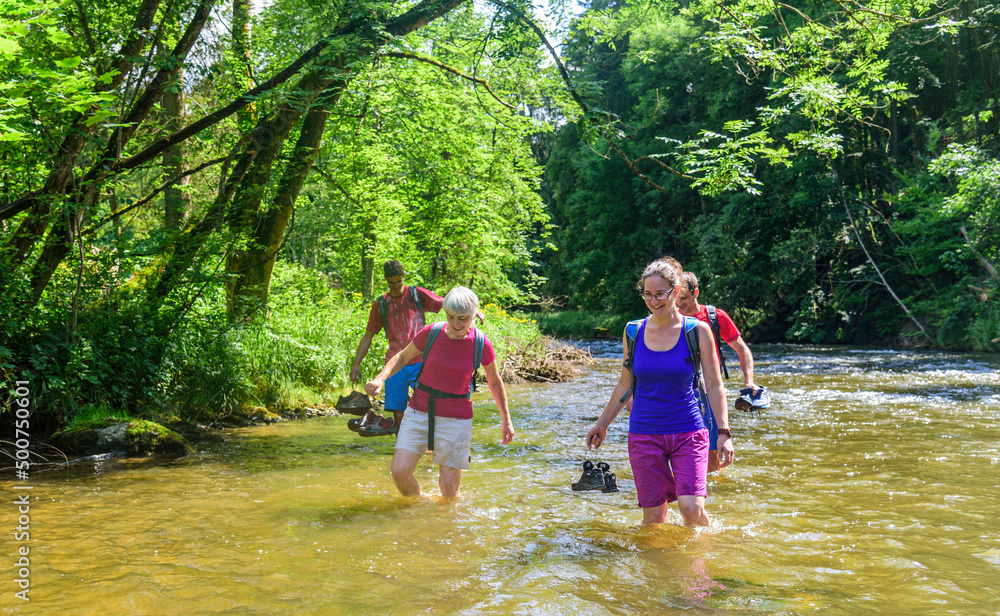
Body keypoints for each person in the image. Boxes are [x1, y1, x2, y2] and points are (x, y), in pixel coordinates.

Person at [586, 258, 733, 526]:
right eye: (647, 295)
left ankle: (703, 563)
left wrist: (723, 433)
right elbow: (625, 384)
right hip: (644, 434)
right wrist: (602, 423)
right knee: (654, 517)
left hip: (688, 431)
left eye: (660, 294)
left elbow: (713, 384)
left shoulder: (696, 331)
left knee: (691, 508)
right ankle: (659, 568)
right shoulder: (633, 331)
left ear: (676, 291)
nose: (654, 301)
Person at [364, 287, 514, 499]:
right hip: (419, 411)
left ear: (474, 316)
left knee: (449, 489)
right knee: (399, 473)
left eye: (462, 318)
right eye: (451, 317)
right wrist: (380, 378)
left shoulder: (481, 343)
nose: (456, 324)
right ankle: (417, 506)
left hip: (456, 418)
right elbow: (402, 357)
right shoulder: (432, 332)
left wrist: (506, 420)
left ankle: (445, 525)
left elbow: (495, 382)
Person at [675, 271, 759, 472]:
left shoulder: (715, 317)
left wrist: (749, 381)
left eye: (684, 299)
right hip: (679, 391)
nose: (679, 304)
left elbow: (742, 349)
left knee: (712, 458)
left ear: (696, 293)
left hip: (709, 390)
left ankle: (712, 490)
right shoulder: (668, 319)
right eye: (676, 299)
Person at [350, 260, 444, 436]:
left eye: (398, 281)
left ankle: (431, 447)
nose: (395, 286)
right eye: (391, 283)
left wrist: (471, 311)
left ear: (403, 276)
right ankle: (401, 447)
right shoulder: (381, 304)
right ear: (386, 280)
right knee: (398, 410)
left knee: (431, 405)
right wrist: (356, 364)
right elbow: (368, 336)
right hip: (394, 365)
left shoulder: (417, 295)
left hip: (421, 361)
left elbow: (446, 303)